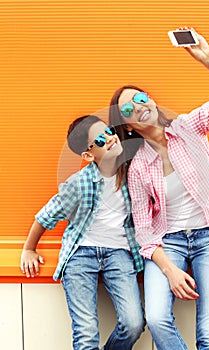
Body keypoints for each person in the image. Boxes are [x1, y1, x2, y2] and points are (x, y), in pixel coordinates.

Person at [108, 28, 209, 349]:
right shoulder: (137, 166)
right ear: (127, 125)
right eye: (128, 109)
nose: (138, 106)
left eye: (141, 98)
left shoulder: (189, 126)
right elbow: (145, 233)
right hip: (167, 246)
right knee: (157, 319)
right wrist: (171, 271)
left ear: (153, 100)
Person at [20, 115, 145, 350]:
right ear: (88, 155)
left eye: (108, 131)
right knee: (86, 334)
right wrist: (29, 248)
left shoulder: (132, 173)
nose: (109, 138)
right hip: (81, 254)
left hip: (119, 254)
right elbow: (46, 215)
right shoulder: (78, 183)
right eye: (99, 139)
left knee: (133, 323)